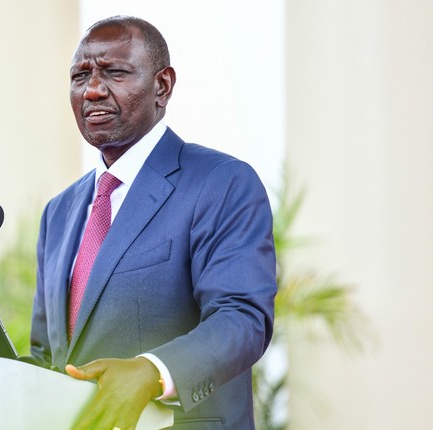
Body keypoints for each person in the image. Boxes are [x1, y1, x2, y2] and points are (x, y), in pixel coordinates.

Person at [29, 15, 277, 430]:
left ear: (162, 86)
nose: (92, 90)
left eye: (115, 73)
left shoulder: (221, 183)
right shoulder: (59, 212)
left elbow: (241, 317)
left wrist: (151, 370)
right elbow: (48, 355)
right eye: (80, 75)